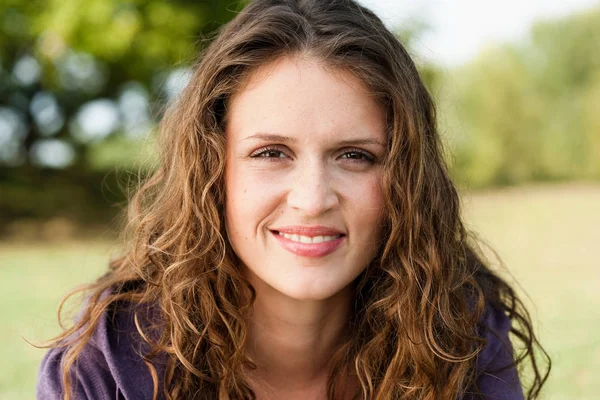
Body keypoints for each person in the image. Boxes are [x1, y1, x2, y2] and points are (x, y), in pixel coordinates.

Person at [37, 0, 551, 399]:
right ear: (212, 170)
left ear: (405, 180)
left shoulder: (458, 323)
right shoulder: (112, 359)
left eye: (354, 155)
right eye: (270, 153)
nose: (311, 199)